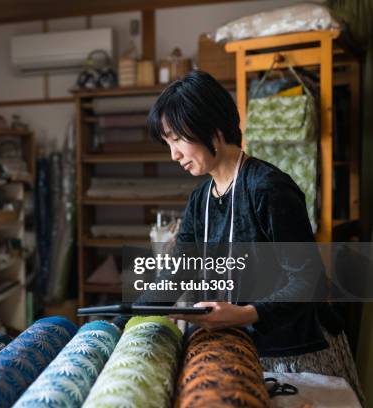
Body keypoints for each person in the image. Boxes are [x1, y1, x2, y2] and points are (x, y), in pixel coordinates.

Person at [146, 70, 364, 403]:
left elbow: (309, 282)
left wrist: (246, 313)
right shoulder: (200, 199)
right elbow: (177, 273)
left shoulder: (269, 189)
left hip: (294, 353)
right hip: (239, 350)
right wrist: (125, 316)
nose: (173, 154)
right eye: (168, 142)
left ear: (213, 129)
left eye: (176, 138)